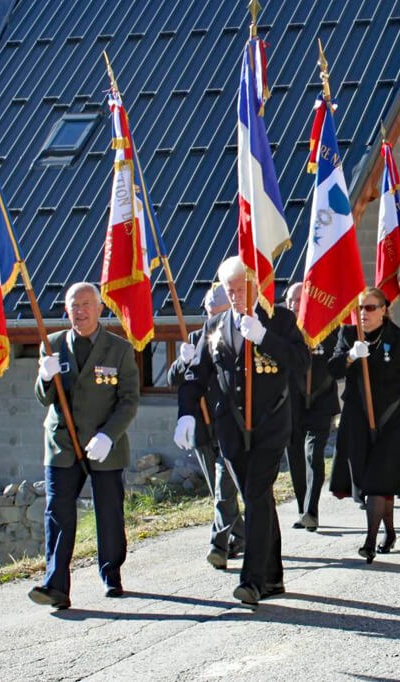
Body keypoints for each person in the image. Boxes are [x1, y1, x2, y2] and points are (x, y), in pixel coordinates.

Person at [174, 257, 309, 606]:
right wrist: (186, 414)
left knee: (256, 491)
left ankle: (252, 580)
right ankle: (274, 577)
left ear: (256, 286)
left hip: (271, 422)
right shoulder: (215, 325)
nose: (235, 296)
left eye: (240, 288)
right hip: (231, 426)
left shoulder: (279, 319)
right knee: (256, 499)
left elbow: (300, 362)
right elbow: (196, 375)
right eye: (229, 290)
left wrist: (264, 338)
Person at [29, 282, 139, 610]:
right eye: (74, 306)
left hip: (104, 444)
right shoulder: (52, 345)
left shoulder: (119, 349)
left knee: (108, 511)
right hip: (62, 442)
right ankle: (56, 584)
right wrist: (45, 379)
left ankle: (111, 573)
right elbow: (44, 398)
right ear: (66, 310)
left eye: (87, 304)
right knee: (58, 513)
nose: (80, 311)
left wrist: (109, 435)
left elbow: (129, 399)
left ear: (100, 308)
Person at [328, 287, 400, 562]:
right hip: (357, 418)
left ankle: (369, 541)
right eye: (359, 309)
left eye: (369, 308)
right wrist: (350, 356)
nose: (363, 314)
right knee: (371, 481)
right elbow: (331, 370)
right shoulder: (348, 335)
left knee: (379, 480)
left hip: (391, 419)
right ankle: (389, 531)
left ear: (383, 310)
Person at [167, 283, 245, 570]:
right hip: (203, 427)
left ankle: (220, 543)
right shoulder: (196, 338)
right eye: (209, 312)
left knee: (226, 489)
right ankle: (243, 536)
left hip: (228, 424)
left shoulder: (235, 335)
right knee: (218, 490)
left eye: (218, 311)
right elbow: (178, 380)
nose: (211, 317)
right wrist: (182, 361)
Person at [284, 281, 340, 532]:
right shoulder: (280, 330)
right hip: (290, 404)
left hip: (320, 400)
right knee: (295, 457)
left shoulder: (328, 328)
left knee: (313, 455)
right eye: (290, 301)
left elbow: (336, 359)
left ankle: (311, 511)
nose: (295, 305)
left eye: (299, 300)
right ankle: (301, 508)